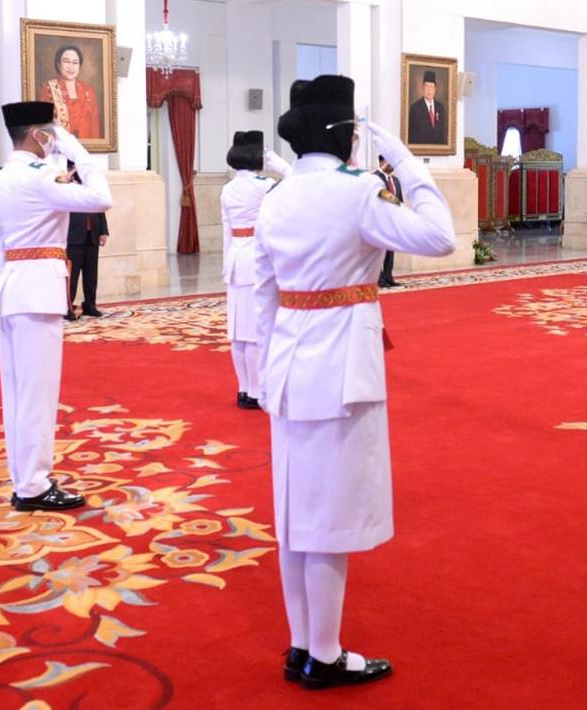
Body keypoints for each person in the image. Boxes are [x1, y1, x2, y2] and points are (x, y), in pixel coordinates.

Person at [256, 75, 455, 689]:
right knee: (329, 520)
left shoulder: (276, 198)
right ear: (349, 139)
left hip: (288, 366)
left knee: (294, 515)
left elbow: (265, 298)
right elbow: (440, 235)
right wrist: (403, 158)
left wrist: (267, 372)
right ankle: (326, 654)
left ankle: (299, 644)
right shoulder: (357, 192)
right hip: (341, 369)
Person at [0, 101, 113, 511]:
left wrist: (9, 281)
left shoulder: (1, 177)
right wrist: (76, 147)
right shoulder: (38, 178)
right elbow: (100, 197)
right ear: (39, 135)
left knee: (18, 392)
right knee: (38, 395)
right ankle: (35, 486)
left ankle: (24, 477)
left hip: (13, 289)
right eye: (50, 132)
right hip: (38, 291)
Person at [220, 129, 292, 410]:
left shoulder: (227, 189)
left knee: (237, 332)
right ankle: (254, 391)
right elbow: (297, 182)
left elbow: (227, 230)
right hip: (256, 259)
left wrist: (227, 266)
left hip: (236, 259)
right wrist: (280, 164)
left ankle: (242, 387)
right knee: (252, 332)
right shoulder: (263, 185)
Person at [65, 164, 110, 320]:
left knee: (91, 274)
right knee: (72, 275)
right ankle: (67, 308)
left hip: (92, 236)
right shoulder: (65, 187)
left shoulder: (92, 187)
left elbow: (101, 207)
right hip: (73, 237)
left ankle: (90, 305)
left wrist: (103, 231)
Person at [39, 45, 102, 140]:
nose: (71, 67)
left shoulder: (88, 91)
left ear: (79, 66)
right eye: (66, 61)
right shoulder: (47, 89)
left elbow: (94, 127)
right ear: (58, 64)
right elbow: (44, 127)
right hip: (59, 150)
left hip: (86, 149)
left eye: (75, 63)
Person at [374, 156, 403, 288]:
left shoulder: (396, 180)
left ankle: (388, 277)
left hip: (393, 221)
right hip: (378, 220)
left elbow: (400, 201)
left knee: (390, 251)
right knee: (378, 252)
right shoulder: (374, 177)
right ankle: (378, 278)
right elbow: (381, 195)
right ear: (382, 161)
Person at [406, 70, 447, 145]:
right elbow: (412, 138)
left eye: (431, 87)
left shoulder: (440, 108)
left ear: (435, 89)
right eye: (426, 86)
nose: (429, 90)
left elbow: (443, 135)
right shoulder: (415, 108)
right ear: (423, 88)